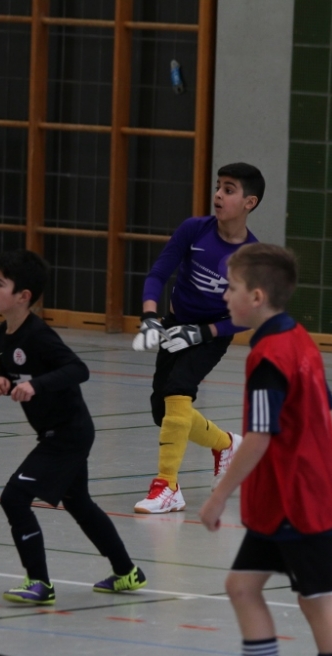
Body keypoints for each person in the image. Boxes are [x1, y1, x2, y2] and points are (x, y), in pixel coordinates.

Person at [199, 244, 332, 656]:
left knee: (317, 605)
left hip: (300, 506)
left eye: (231, 288)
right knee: (241, 587)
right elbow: (329, 411)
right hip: (284, 504)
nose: (224, 296)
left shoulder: (268, 356)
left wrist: (219, 497)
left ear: (256, 297)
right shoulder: (298, 338)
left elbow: (259, 435)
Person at [0, 249, 147, 605]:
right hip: (58, 432)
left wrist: (37, 385)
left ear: (23, 296)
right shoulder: (4, 333)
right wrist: (3, 382)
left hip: (67, 433)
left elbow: (78, 369)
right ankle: (127, 572)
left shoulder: (39, 335)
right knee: (79, 503)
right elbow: (13, 374)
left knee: (14, 498)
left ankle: (39, 583)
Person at [131, 162, 265, 514]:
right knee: (163, 413)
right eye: (218, 186)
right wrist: (150, 317)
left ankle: (167, 486)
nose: (218, 195)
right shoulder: (194, 229)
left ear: (249, 202)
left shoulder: (252, 257)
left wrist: (203, 333)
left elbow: (249, 316)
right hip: (175, 324)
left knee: (179, 390)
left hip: (211, 333)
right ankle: (225, 444)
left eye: (229, 190)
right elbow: (158, 274)